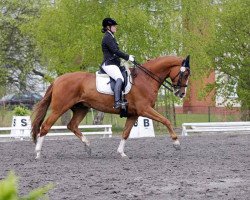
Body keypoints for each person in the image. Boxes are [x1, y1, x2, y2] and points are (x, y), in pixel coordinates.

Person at [101, 17, 135, 109]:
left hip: (114, 63)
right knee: (119, 78)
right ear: (108, 27)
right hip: (109, 64)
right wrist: (127, 57)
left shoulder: (111, 36)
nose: (115, 27)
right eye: (114, 26)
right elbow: (115, 51)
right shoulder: (107, 37)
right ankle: (117, 102)